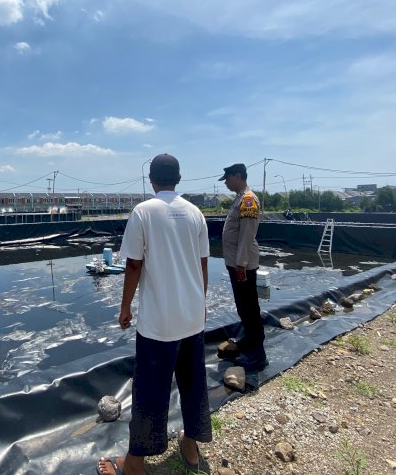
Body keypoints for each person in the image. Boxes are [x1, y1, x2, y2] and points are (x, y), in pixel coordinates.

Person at [97, 154, 212, 475]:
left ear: (151, 179)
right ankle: (190, 446)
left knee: (150, 391)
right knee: (193, 383)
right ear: (179, 177)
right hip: (192, 317)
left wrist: (124, 308)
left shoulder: (143, 212)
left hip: (159, 323)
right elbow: (203, 264)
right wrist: (199, 303)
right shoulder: (195, 213)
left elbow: (133, 264)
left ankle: (134, 464)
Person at [218, 163, 268, 371]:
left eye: (228, 179)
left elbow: (247, 235)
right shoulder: (240, 198)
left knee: (249, 309)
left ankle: (257, 356)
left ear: (237, 176)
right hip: (237, 263)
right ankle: (249, 340)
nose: (226, 183)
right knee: (243, 306)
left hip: (242, 265)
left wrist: (241, 264)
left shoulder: (248, 199)